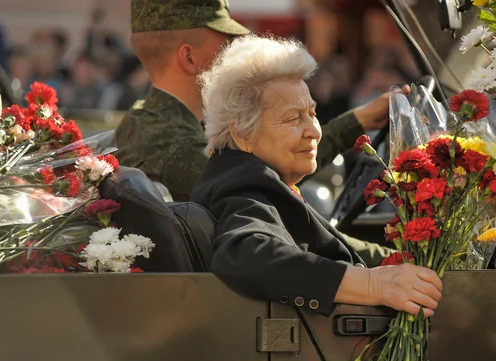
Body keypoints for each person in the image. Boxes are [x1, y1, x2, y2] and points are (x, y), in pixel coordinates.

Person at [116, 0, 394, 266]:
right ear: (189, 57)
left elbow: (271, 161)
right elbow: (284, 210)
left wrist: (358, 121)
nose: (233, 50)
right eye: (225, 42)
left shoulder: (157, 122)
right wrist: (391, 259)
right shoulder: (172, 143)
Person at [192, 36, 442, 316]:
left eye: (312, 113)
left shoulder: (254, 177)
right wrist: (374, 285)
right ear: (242, 134)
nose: (314, 130)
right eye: (292, 118)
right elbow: (245, 254)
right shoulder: (244, 185)